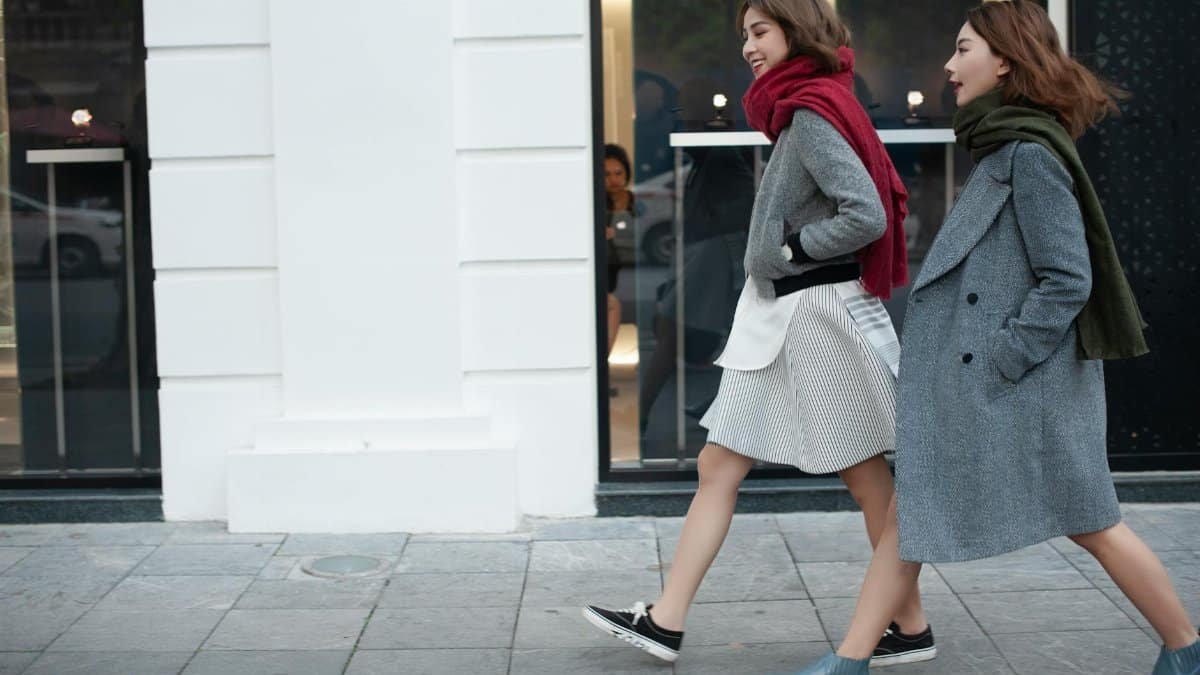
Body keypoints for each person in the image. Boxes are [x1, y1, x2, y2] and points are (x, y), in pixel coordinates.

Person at [791, 2, 1200, 673]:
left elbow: (1069, 278)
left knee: (1091, 518)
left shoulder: (1030, 154)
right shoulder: (1003, 144)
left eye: (962, 49)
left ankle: (1186, 645)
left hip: (1020, 384)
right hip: (989, 379)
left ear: (1004, 58)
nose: (949, 66)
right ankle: (850, 658)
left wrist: (1002, 357)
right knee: (910, 512)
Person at [583, 0, 934, 667]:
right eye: (744, 33)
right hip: (791, 317)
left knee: (863, 476)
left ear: (797, 30)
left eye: (760, 31)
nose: (747, 46)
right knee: (734, 464)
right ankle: (667, 618)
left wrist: (790, 249)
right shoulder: (809, 104)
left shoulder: (809, 112)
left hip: (812, 317)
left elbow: (864, 213)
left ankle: (910, 625)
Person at [604, 144, 636, 357]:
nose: (613, 179)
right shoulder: (595, 204)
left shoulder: (639, 203)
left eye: (618, 173)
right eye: (606, 174)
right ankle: (603, 365)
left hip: (635, 272)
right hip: (607, 276)